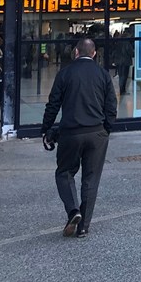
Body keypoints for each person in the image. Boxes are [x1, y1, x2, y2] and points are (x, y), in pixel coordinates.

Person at [41, 37, 117, 239]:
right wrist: (106, 129)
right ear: (94, 54)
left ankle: (73, 210)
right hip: (97, 132)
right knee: (91, 179)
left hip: (71, 133)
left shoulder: (65, 73)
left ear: (75, 52)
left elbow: (53, 104)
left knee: (64, 173)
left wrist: (46, 129)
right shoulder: (103, 74)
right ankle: (83, 226)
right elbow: (111, 106)